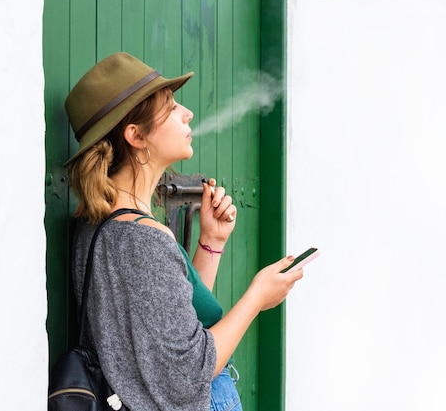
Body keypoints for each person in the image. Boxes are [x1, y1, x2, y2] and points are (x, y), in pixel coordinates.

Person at [63, 52, 303, 411]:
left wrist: (212, 240)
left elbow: (177, 322)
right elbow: (190, 374)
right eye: (172, 107)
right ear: (136, 135)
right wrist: (257, 297)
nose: (187, 113)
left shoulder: (104, 226)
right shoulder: (141, 241)